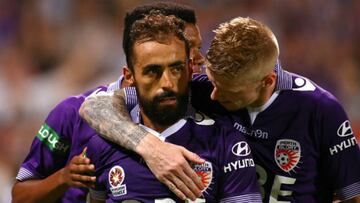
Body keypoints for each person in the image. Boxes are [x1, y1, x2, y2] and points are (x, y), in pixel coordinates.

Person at [80, 17, 360, 202]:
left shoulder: (320, 110)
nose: (213, 95)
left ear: (267, 81)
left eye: (229, 92)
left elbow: (353, 194)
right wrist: (151, 148)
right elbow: (96, 105)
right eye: (213, 83)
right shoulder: (205, 90)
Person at [11, 2, 206, 202]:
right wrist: (62, 178)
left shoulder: (200, 108)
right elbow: (20, 196)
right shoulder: (71, 113)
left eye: (200, 47)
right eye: (189, 48)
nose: (199, 59)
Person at [86, 11, 261, 203]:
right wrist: (151, 147)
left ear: (189, 68)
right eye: (153, 71)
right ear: (130, 77)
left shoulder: (226, 142)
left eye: (176, 69)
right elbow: (94, 104)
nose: (168, 83)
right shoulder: (103, 144)